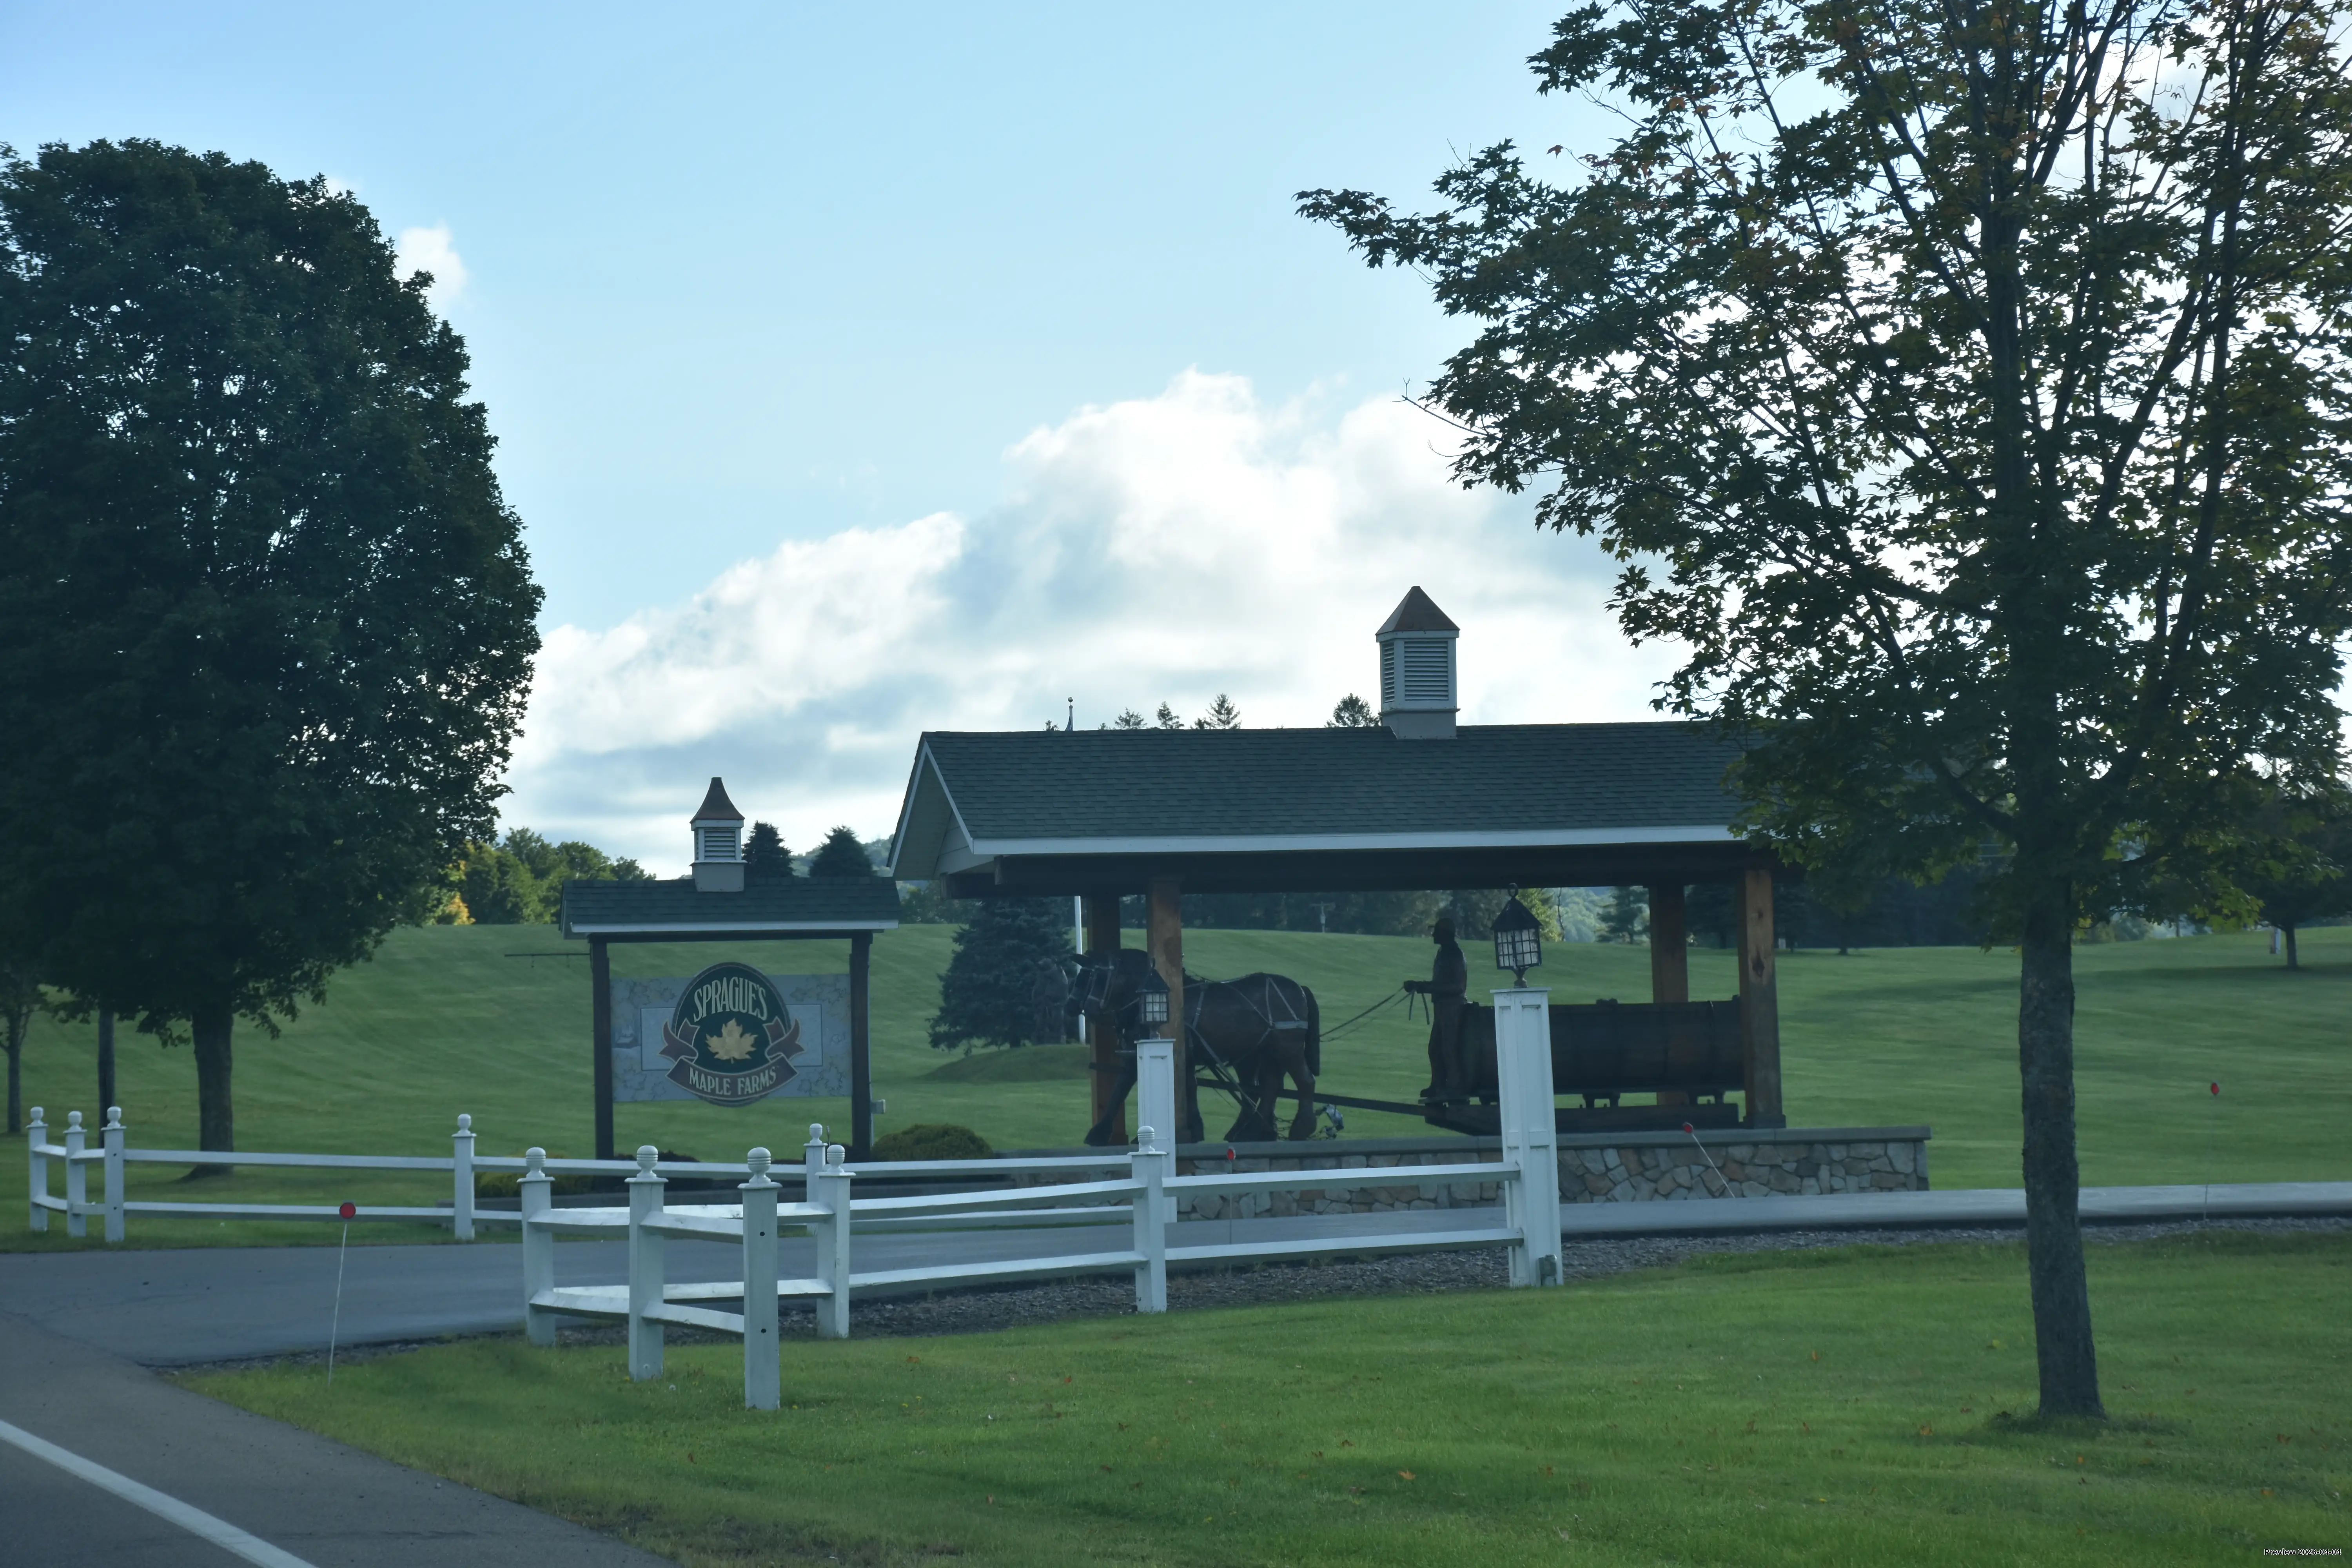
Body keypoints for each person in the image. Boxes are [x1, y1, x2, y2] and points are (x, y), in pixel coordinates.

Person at [1419, 915, 1470, 1105]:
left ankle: (1455, 1087)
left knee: (1450, 1049)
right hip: (1441, 1009)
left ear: (1445, 935)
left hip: (1453, 1009)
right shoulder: (1443, 953)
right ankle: (1438, 1085)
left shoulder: (1456, 956)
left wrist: (1426, 987)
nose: (1433, 935)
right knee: (1435, 1048)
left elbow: (1457, 987)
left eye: (1437, 932)